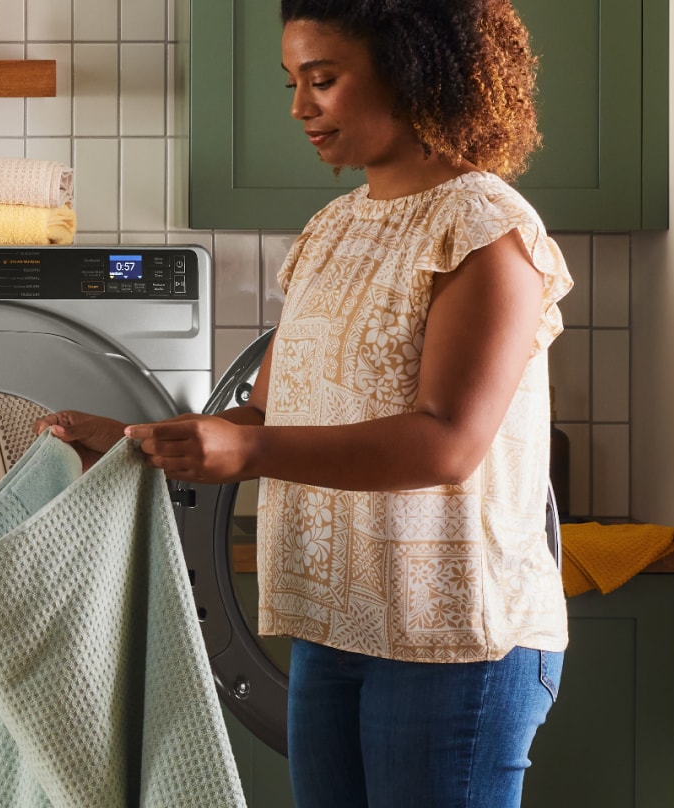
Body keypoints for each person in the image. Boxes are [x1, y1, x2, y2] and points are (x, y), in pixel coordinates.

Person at [36, 1, 571, 805]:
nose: (298, 108)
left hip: (455, 636)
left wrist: (251, 453)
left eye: (322, 80)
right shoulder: (333, 230)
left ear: (413, 68)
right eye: (293, 82)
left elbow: (446, 444)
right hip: (333, 621)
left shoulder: (486, 228)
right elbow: (265, 416)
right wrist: (138, 442)